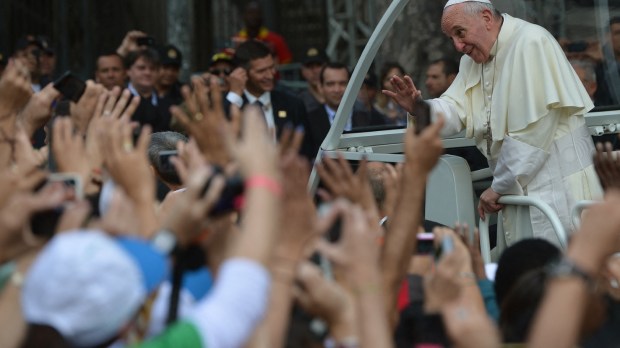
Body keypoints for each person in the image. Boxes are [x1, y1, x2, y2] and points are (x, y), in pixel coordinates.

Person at [385, 0, 602, 246]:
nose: (457, 46)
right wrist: (419, 107)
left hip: (558, 188)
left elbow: (530, 135)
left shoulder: (531, 42)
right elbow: (456, 109)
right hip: (518, 191)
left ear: (487, 18)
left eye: (460, 32)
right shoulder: (472, 61)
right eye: (451, 38)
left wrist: (497, 188)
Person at [226, 39, 313, 158]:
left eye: (272, 67)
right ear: (243, 73)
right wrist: (234, 95)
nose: (270, 75)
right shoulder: (232, 103)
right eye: (261, 71)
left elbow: (306, 152)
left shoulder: (293, 104)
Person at [307, 62, 385, 155]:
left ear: (351, 86)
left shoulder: (372, 117)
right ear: (320, 87)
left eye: (342, 83)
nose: (337, 89)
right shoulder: (308, 120)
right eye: (330, 84)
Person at [125, 48, 172, 132]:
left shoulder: (168, 105)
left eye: (152, 69)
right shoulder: (117, 101)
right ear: (128, 71)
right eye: (141, 68)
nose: (147, 73)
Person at [232, 1, 293, 65]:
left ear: (262, 16)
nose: (253, 16)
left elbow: (287, 65)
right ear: (244, 16)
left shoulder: (276, 40)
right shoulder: (236, 39)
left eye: (256, 13)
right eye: (250, 13)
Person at [298, 46, 328, 113]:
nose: (315, 71)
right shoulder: (298, 102)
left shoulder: (340, 94)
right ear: (302, 71)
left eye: (318, 65)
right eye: (309, 66)